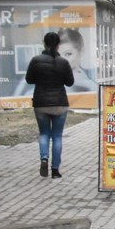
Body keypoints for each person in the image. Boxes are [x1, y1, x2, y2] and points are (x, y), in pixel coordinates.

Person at [26, 32, 75, 179]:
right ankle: (55, 170)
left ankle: (44, 158)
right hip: (60, 103)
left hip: (41, 103)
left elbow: (29, 79)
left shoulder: (35, 61)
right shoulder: (64, 62)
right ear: (58, 45)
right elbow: (69, 82)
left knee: (44, 133)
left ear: (44, 44)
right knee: (57, 136)